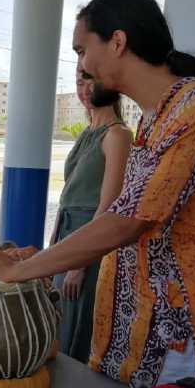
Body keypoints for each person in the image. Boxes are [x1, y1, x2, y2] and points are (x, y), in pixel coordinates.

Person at [0, 0, 195, 388]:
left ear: (117, 42)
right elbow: (126, 214)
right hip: (149, 340)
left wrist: (16, 270)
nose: (82, 65)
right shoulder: (156, 120)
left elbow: (127, 222)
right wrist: (41, 257)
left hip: (188, 344)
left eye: (83, 50)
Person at [47, 68, 132, 364]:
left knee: (76, 331)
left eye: (90, 81)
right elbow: (67, 196)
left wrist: (79, 264)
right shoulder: (86, 133)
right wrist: (52, 250)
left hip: (89, 244)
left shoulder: (118, 135)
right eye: (79, 83)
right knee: (57, 326)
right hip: (67, 239)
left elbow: (108, 204)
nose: (84, 89)